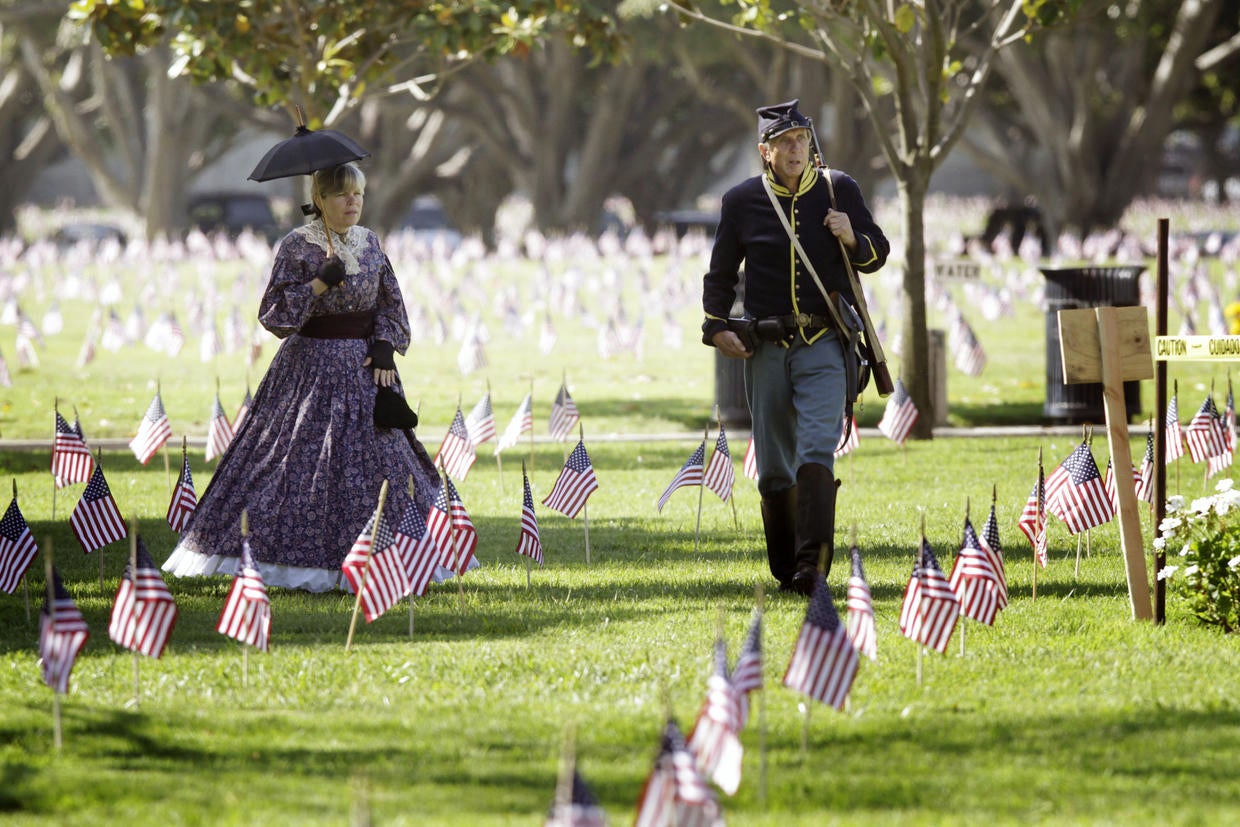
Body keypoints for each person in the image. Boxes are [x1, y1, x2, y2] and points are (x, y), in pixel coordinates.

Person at [164, 162, 441, 591]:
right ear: (320, 200)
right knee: (291, 462)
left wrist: (385, 344)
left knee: (382, 461)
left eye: (359, 195)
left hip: (367, 369)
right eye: (343, 195)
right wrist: (317, 285)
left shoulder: (370, 243)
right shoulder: (298, 245)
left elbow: (391, 306)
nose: (353, 202)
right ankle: (292, 561)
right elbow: (273, 315)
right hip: (308, 368)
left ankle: (396, 556)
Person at [702, 99, 890, 595]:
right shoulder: (740, 201)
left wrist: (852, 237)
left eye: (802, 139)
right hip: (765, 345)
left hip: (825, 341)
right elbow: (720, 273)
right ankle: (786, 568)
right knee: (774, 467)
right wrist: (716, 326)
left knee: (815, 449)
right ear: (765, 151)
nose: (795, 149)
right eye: (785, 142)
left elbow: (877, 253)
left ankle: (813, 566)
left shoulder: (838, 188)